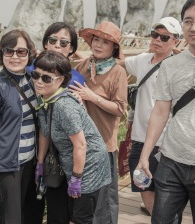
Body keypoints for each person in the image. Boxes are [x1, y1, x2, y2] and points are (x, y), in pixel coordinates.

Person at [136, 0, 195, 223]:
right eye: (188, 21)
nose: (194, 27)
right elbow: (160, 112)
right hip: (171, 161)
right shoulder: (170, 65)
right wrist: (145, 155)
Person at [33, 50, 111, 223]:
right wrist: (40, 163)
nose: (39, 81)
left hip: (89, 164)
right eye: (35, 75)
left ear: (60, 80)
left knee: (81, 217)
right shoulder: (43, 98)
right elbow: (45, 132)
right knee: (65, 213)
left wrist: (76, 178)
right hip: (70, 161)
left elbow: (81, 145)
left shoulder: (64, 107)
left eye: (46, 78)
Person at [119, 17, 182, 215]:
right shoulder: (142, 60)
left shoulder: (178, 67)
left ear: (176, 41)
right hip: (140, 138)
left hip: (166, 142)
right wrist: (87, 59)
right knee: (143, 187)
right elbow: (119, 63)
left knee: (166, 194)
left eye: (164, 37)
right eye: (155, 35)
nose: (157, 40)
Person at [25, 21, 86, 224]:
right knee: (29, 207)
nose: (57, 45)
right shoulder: (29, 70)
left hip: (59, 152)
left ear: (72, 49)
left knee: (57, 209)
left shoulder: (76, 79)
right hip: (27, 146)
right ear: (45, 43)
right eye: (52, 40)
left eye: (64, 42)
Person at [0, 29, 37, 224]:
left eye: (21, 51)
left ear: (29, 53)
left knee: (29, 214)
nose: (14, 56)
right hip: (7, 164)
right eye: (8, 51)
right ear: (1, 54)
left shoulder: (33, 80)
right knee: (12, 218)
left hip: (31, 160)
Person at [70, 21, 128, 224]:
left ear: (114, 48)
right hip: (81, 144)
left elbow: (120, 108)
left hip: (103, 145)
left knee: (104, 202)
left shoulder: (117, 72)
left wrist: (90, 96)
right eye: (96, 39)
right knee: (83, 200)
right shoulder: (84, 65)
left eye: (106, 42)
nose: (99, 45)